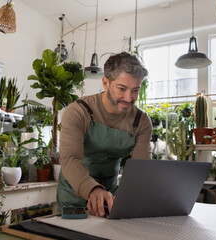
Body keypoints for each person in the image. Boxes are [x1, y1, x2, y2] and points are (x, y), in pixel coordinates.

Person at [57, 52, 152, 217]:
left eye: (135, 90)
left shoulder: (141, 121)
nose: (129, 98)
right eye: (122, 89)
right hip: (73, 195)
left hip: (112, 198)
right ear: (105, 83)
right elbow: (70, 160)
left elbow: (142, 171)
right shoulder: (78, 111)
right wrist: (93, 190)